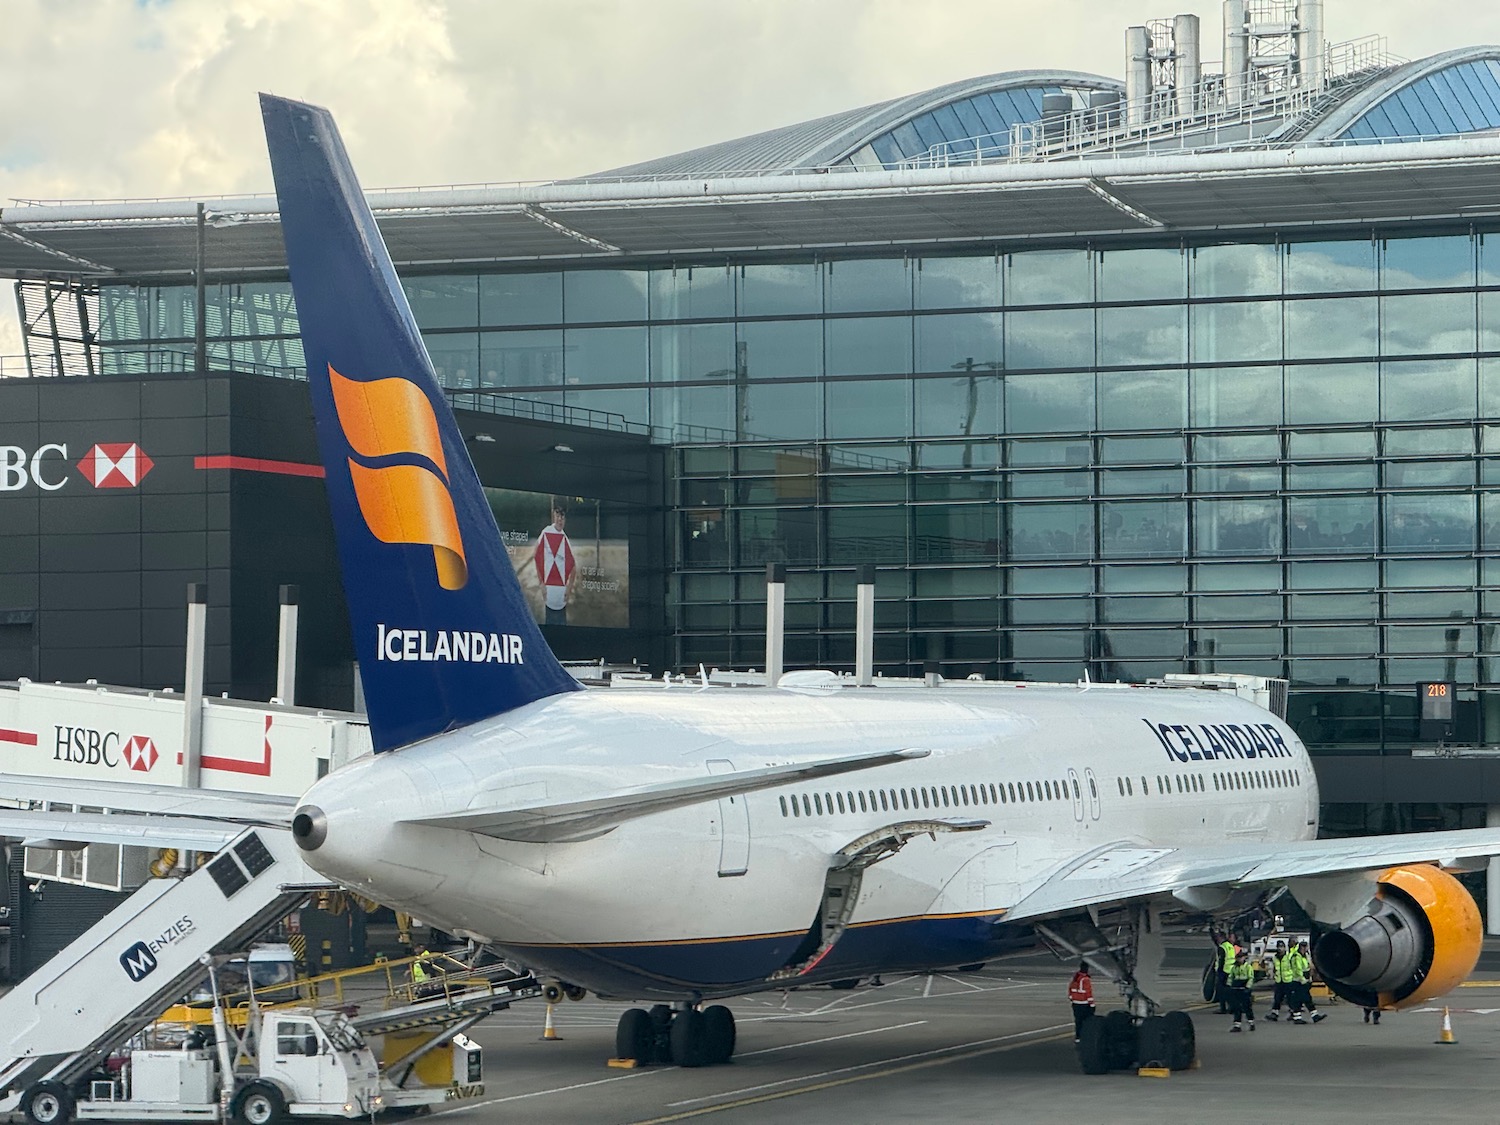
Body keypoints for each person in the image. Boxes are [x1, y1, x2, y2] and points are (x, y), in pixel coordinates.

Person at [532, 497, 577, 626]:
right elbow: (536, 556)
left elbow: (573, 567)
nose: (560, 520)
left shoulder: (564, 539)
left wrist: (568, 589)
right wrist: (541, 583)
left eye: (563, 517)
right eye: (557, 515)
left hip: (561, 599)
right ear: (553, 515)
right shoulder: (546, 533)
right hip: (550, 597)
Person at [1289, 939, 1327, 1023]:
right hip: (1298, 981)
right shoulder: (1296, 956)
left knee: (1306, 998)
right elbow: (1298, 969)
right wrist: (1302, 979)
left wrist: (1309, 978)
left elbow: (1309, 966)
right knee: (1300, 999)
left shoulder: (1305, 955)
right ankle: (1298, 1018)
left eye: (1305, 946)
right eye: (1303, 946)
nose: (1304, 948)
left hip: (1305, 980)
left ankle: (1314, 1016)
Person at [1227, 947, 1256, 1032]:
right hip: (1236, 988)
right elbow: (1231, 977)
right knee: (1236, 1007)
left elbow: (1251, 977)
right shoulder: (1234, 967)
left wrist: (1248, 987)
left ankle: (1251, 1023)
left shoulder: (1248, 967)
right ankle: (1237, 1025)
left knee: (1247, 1007)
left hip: (1244, 989)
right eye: (1238, 957)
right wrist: (1229, 986)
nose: (1239, 959)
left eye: (1241, 957)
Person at [1068, 961, 1095, 1041]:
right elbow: (1088, 992)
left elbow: (1070, 990)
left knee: (1078, 1021)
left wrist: (1072, 999)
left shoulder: (1076, 977)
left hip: (1075, 1003)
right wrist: (1092, 1004)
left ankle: (1078, 1036)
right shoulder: (1085, 979)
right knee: (1087, 1021)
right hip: (1084, 1003)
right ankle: (1086, 1035)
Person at [1265, 940, 1291, 1022]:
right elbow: (1273, 968)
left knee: (1290, 999)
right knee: (1277, 998)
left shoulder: (1289, 956)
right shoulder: (1275, 957)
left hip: (1288, 981)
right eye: (1279, 947)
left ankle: (1294, 1013)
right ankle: (1274, 1014)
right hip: (1279, 981)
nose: (1280, 949)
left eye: (1282, 947)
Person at [1215, 931, 1236, 1015]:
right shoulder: (1230, 946)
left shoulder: (1222, 947)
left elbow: (1221, 960)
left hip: (1223, 971)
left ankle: (1222, 1008)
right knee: (1229, 991)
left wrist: (1219, 971)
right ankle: (1232, 1008)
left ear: (1221, 938)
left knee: (1221, 991)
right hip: (1231, 971)